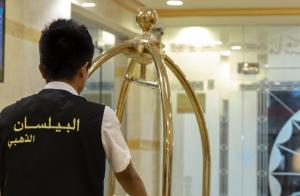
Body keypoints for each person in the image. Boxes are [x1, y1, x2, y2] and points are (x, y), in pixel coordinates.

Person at [0, 19, 147, 196]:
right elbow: (129, 178)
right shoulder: (101, 117)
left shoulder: (7, 118)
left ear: (42, 70)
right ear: (84, 69)